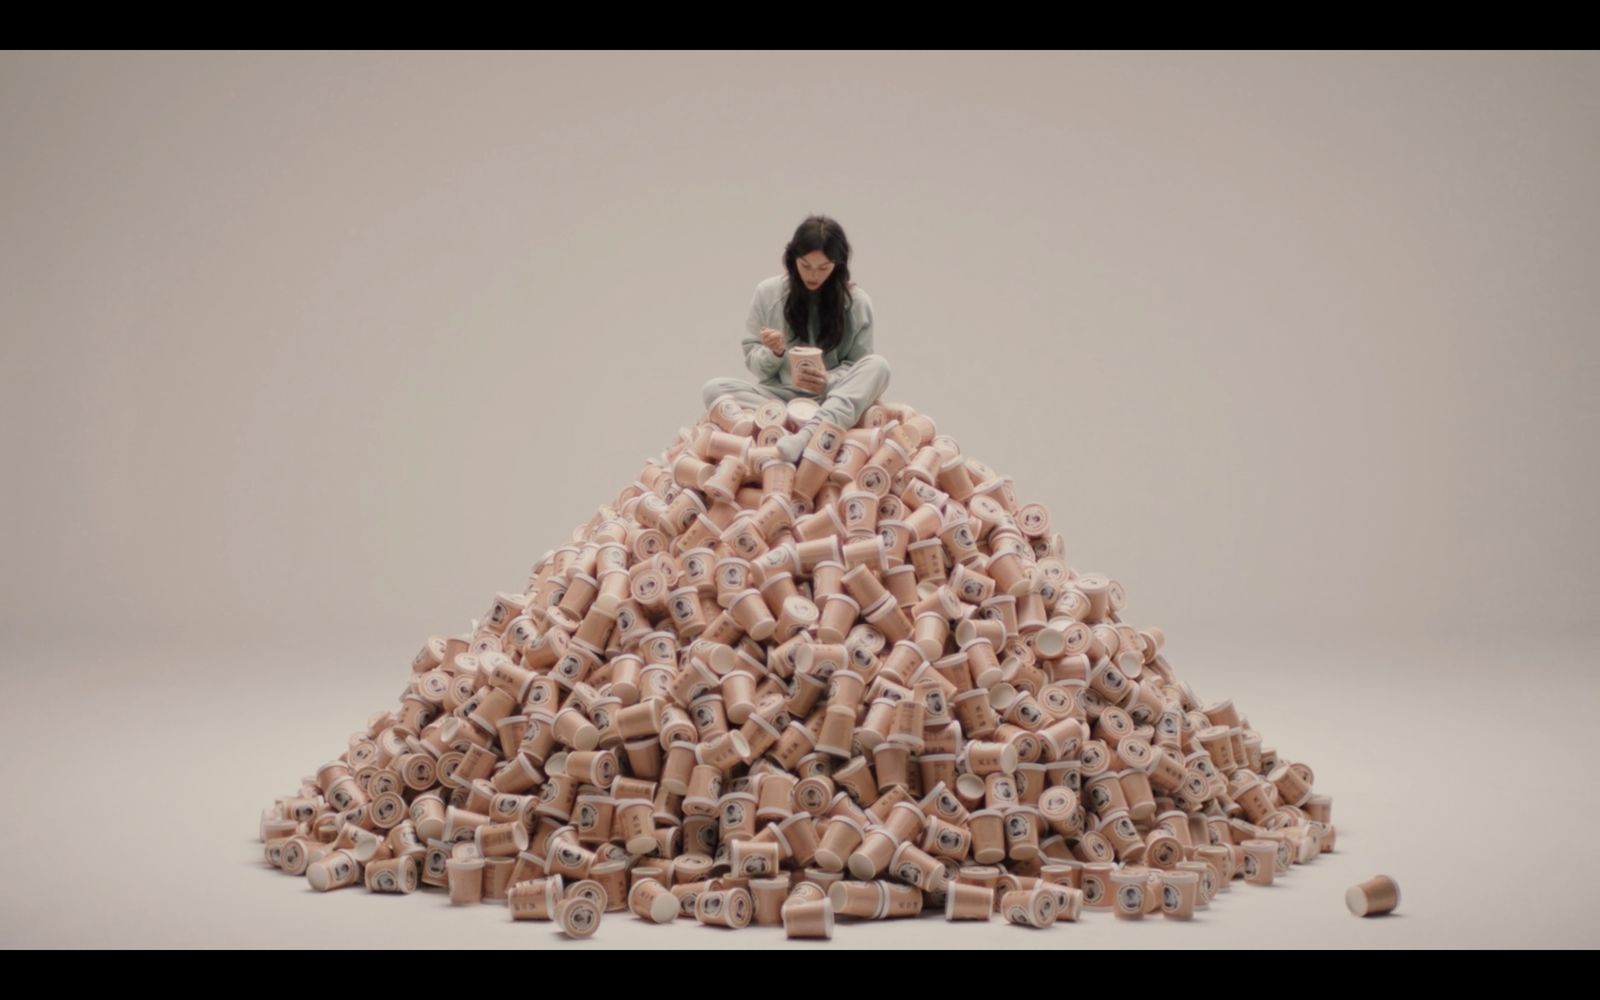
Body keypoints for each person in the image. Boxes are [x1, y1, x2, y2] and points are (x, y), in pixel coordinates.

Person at [700, 214, 891, 462]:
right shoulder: (768, 293)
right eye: (805, 265)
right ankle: (806, 425)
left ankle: (804, 435)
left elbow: (859, 366)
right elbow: (755, 362)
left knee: (879, 366)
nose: (813, 275)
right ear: (792, 259)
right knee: (714, 389)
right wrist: (774, 352)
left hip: (830, 398)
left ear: (838, 265)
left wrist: (827, 381)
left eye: (823, 268)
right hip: (778, 397)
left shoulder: (856, 302)